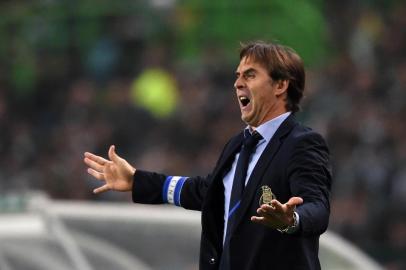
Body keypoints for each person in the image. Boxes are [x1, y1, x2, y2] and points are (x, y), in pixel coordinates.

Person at [84, 41, 332, 270]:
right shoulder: (238, 145)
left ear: (280, 85)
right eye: (238, 76)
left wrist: (292, 220)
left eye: (250, 75)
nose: (237, 83)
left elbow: (317, 207)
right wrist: (137, 181)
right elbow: (209, 192)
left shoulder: (302, 143)